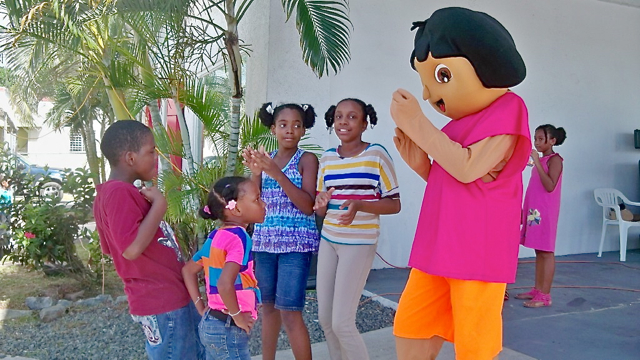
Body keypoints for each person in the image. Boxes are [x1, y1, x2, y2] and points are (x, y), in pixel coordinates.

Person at [390, 7, 530, 360]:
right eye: (426, 83)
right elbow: (459, 182)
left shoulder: (508, 108)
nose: (428, 95)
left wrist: (418, 125)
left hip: (478, 249)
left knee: (474, 339)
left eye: (440, 75)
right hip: (437, 245)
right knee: (413, 324)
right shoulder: (454, 128)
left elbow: (468, 169)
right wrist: (423, 164)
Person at [93, 120, 201, 360]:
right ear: (130, 158)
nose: (155, 157)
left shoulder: (117, 194)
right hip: (161, 301)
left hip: (169, 297)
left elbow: (117, 248)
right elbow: (130, 249)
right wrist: (160, 205)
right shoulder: (118, 193)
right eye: (151, 151)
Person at [313, 98, 401, 360]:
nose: (344, 121)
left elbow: (394, 204)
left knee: (342, 322)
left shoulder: (376, 155)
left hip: (359, 243)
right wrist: (320, 203)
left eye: (352, 117)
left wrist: (360, 205)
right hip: (329, 239)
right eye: (339, 116)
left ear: (365, 123)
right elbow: (320, 203)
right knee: (326, 320)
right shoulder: (327, 157)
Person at [241, 102, 319, 360]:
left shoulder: (306, 159)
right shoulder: (266, 161)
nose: (290, 130)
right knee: (269, 309)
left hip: (295, 246)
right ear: (273, 129)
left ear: (304, 130)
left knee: (290, 311)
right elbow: (255, 202)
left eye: (297, 125)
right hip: (265, 244)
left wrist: (275, 173)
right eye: (283, 125)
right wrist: (255, 174)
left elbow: (308, 206)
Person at [182, 176, 266, 360]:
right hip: (228, 326)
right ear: (236, 209)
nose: (264, 204)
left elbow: (188, 270)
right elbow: (224, 284)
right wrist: (238, 316)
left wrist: (201, 307)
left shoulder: (216, 236)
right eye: (257, 199)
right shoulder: (239, 238)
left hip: (212, 321)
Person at [516, 124, 566, 308]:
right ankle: (537, 289)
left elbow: (550, 186)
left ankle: (545, 295)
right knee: (539, 250)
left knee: (546, 250)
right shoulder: (543, 160)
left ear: (552, 141)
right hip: (535, 211)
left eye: (541, 139)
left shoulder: (555, 160)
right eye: (535, 139)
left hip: (545, 211)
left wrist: (537, 162)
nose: (536, 143)